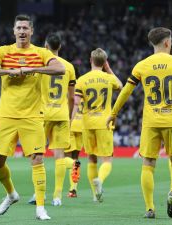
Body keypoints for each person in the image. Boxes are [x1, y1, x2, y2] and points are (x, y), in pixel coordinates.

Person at [0, 14, 65, 220]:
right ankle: (11, 194)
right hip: (6, 115)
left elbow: (59, 68)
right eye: (19, 28)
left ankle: (41, 207)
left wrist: (32, 68)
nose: (22, 31)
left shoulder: (41, 53)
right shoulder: (3, 51)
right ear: (14, 31)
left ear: (32, 31)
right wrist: (9, 72)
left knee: (37, 159)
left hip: (32, 115)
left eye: (26, 28)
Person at [107, 27, 172, 218]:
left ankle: (150, 208)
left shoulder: (142, 65)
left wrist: (114, 113)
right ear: (167, 42)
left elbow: (126, 92)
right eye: (171, 41)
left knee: (148, 163)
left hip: (151, 121)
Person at [28, 32, 76, 206]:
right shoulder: (69, 67)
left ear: (46, 47)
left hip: (42, 114)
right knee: (60, 156)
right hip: (62, 114)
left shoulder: (40, 66)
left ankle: (38, 194)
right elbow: (72, 97)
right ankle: (57, 196)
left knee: (37, 155)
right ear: (60, 47)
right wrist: (69, 116)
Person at [73, 48, 122, 202]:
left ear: (90, 60)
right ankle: (100, 180)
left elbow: (76, 102)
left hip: (87, 123)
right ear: (104, 62)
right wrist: (108, 70)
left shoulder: (82, 79)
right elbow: (121, 86)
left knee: (92, 159)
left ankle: (95, 194)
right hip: (104, 123)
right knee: (107, 160)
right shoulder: (108, 78)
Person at [65, 98, 83, 198]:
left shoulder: (70, 90)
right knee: (75, 157)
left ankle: (72, 189)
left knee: (67, 158)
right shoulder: (85, 86)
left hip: (71, 123)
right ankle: (73, 190)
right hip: (81, 125)